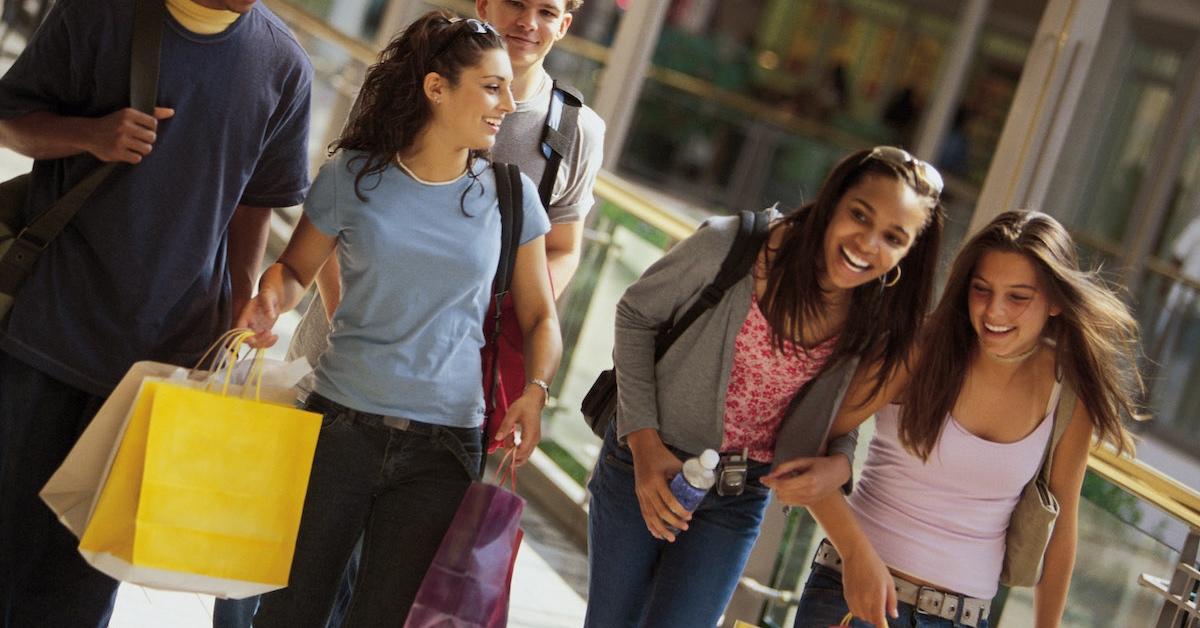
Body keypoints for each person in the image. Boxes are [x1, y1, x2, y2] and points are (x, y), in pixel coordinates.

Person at [234, 12, 561, 626]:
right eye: (492, 87)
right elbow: (294, 270)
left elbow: (541, 314)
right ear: (437, 88)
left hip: (445, 447)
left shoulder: (510, 194)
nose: (509, 103)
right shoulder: (354, 178)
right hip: (339, 430)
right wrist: (270, 297)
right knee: (288, 613)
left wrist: (536, 392)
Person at [0, 0, 311, 625]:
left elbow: (258, 202)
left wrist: (239, 304)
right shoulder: (97, 14)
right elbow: (10, 117)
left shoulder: (284, 63)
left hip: (164, 359)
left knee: (87, 579)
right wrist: (89, 136)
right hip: (50, 326)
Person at [584, 146, 946, 628]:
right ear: (833, 202)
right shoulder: (732, 245)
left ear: (908, 253)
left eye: (893, 237)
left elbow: (837, 412)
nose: (867, 243)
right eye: (859, 215)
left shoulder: (873, 318)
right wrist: (644, 445)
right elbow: (635, 316)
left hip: (738, 495)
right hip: (644, 464)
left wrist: (839, 461)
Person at [781, 210, 1143, 628]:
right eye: (981, 289)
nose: (994, 311)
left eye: (1018, 297)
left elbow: (1061, 531)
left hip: (963, 619)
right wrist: (855, 553)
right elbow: (805, 442)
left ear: (1056, 302)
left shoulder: (1067, 393)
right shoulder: (918, 350)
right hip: (854, 595)